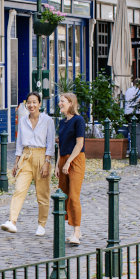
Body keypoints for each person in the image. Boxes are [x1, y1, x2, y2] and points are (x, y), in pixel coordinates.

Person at [2, 91, 55, 235]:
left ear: (39, 104)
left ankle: (41, 225)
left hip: (41, 155)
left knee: (42, 193)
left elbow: (50, 143)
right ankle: (12, 221)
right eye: (29, 102)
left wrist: (47, 162)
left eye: (34, 102)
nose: (31, 105)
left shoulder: (48, 120)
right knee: (19, 189)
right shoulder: (23, 120)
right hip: (25, 156)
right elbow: (19, 143)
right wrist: (16, 162)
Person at [56, 92, 86, 245]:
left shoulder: (78, 120)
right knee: (65, 195)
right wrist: (58, 164)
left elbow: (79, 144)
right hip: (63, 159)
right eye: (60, 101)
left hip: (76, 160)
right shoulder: (62, 123)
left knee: (74, 196)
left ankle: (77, 231)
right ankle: (73, 229)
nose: (60, 103)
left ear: (70, 103)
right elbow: (60, 145)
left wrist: (68, 163)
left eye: (62, 101)